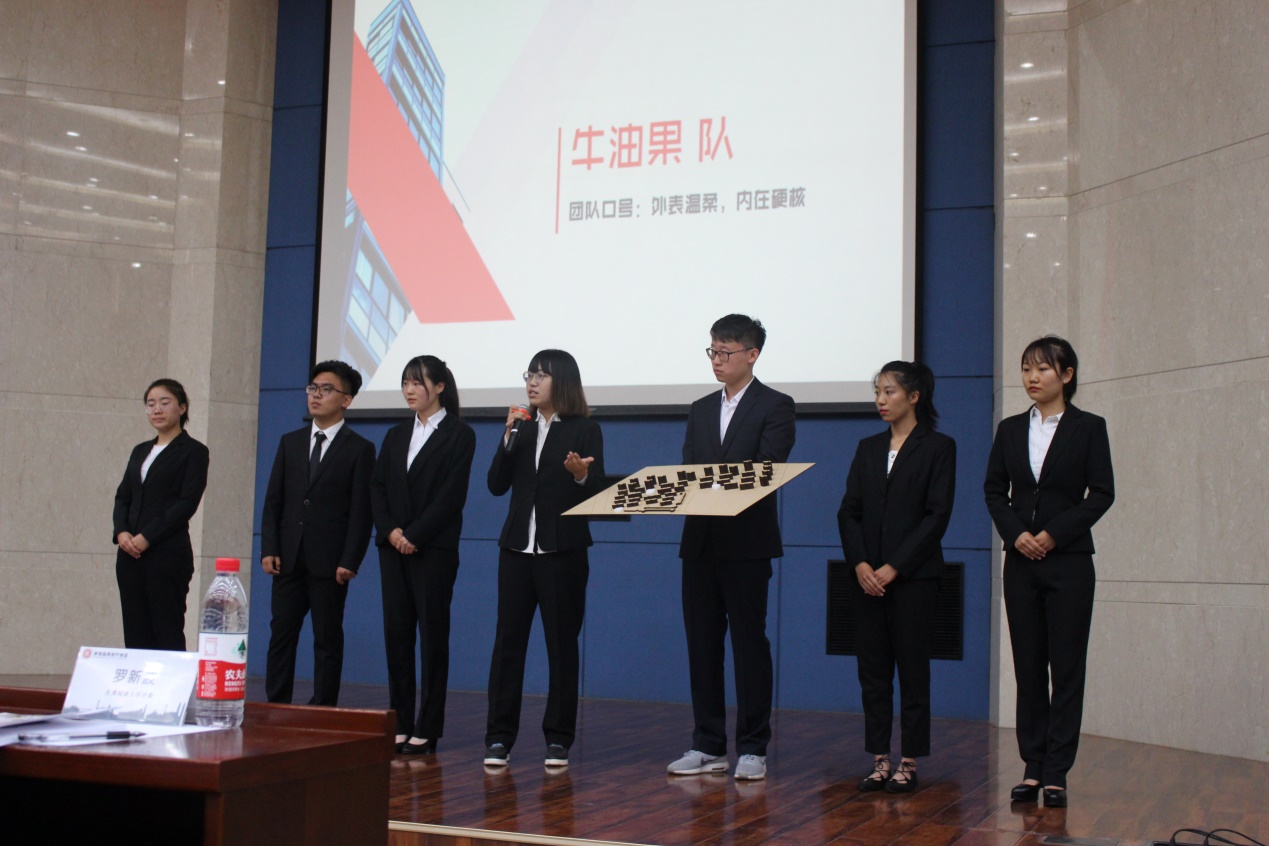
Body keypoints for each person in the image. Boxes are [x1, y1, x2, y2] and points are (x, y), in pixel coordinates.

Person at [983, 335, 1114, 809]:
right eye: (1026, 369)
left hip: (1069, 562)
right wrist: (1016, 533)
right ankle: (1033, 766)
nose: (1031, 378)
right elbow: (994, 490)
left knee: (1067, 667)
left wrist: (1054, 534)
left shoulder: (1088, 427)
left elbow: (1102, 493)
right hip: (1021, 561)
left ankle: (1057, 771)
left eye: (1041, 369)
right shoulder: (1010, 429)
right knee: (1029, 666)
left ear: (1067, 374)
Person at [667, 314, 795, 782]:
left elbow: (766, 468)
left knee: (748, 644)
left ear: (752, 354)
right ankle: (707, 744)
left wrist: (714, 484)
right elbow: (688, 470)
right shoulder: (700, 408)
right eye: (713, 351)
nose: (717, 360)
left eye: (725, 352)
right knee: (702, 646)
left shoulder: (776, 405)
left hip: (746, 543)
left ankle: (754, 747)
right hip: (700, 542)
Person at [837, 362, 956, 794]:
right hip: (866, 578)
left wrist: (895, 566)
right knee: (872, 671)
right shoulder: (868, 447)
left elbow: (936, 516)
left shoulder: (939, 447)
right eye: (877, 392)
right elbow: (848, 512)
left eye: (889, 392)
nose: (880, 400)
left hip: (914, 579)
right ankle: (879, 759)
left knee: (912, 669)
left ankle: (909, 760)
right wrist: (860, 564)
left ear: (914, 397)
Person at [484, 350, 605, 769]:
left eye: (541, 375)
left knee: (561, 646)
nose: (532, 382)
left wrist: (580, 475)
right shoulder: (522, 426)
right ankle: (499, 738)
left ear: (563, 381)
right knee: (507, 646)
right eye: (529, 374)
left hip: (562, 552)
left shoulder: (585, 429)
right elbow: (495, 485)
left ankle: (558, 738)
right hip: (517, 550)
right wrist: (507, 439)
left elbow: (596, 493)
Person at [370, 355, 475, 755]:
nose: (410, 390)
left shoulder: (460, 434)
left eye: (417, 383)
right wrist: (392, 531)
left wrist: (414, 534)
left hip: (433, 550)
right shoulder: (396, 434)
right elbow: (378, 487)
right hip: (393, 548)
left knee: (432, 637)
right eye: (405, 383)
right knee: (396, 635)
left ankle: (428, 726)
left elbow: (451, 496)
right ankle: (400, 721)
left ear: (439, 386)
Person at [261, 361, 375, 707]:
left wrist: (350, 559)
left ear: (346, 400)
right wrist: (270, 547)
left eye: (326, 390)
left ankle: (323, 707)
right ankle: (276, 704)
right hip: (288, 557)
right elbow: (274, 500)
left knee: (327, 638)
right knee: (281, 633)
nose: (316, 395)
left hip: (330, 561)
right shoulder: (290, 442)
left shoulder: (359, 448)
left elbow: (361, 511)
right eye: (313, 388)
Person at [113, 378, 209, 650]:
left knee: (166, 630)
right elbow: (123, 496)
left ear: (182, 408)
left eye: (165, 403)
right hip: (130, 555)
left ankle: (173, 681)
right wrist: (122, 532)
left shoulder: (194, 451)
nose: (157, 409)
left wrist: (147, 537)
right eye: (151, 404)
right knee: (135, 632)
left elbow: (186, 503)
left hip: (167, 554)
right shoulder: (140, 450)